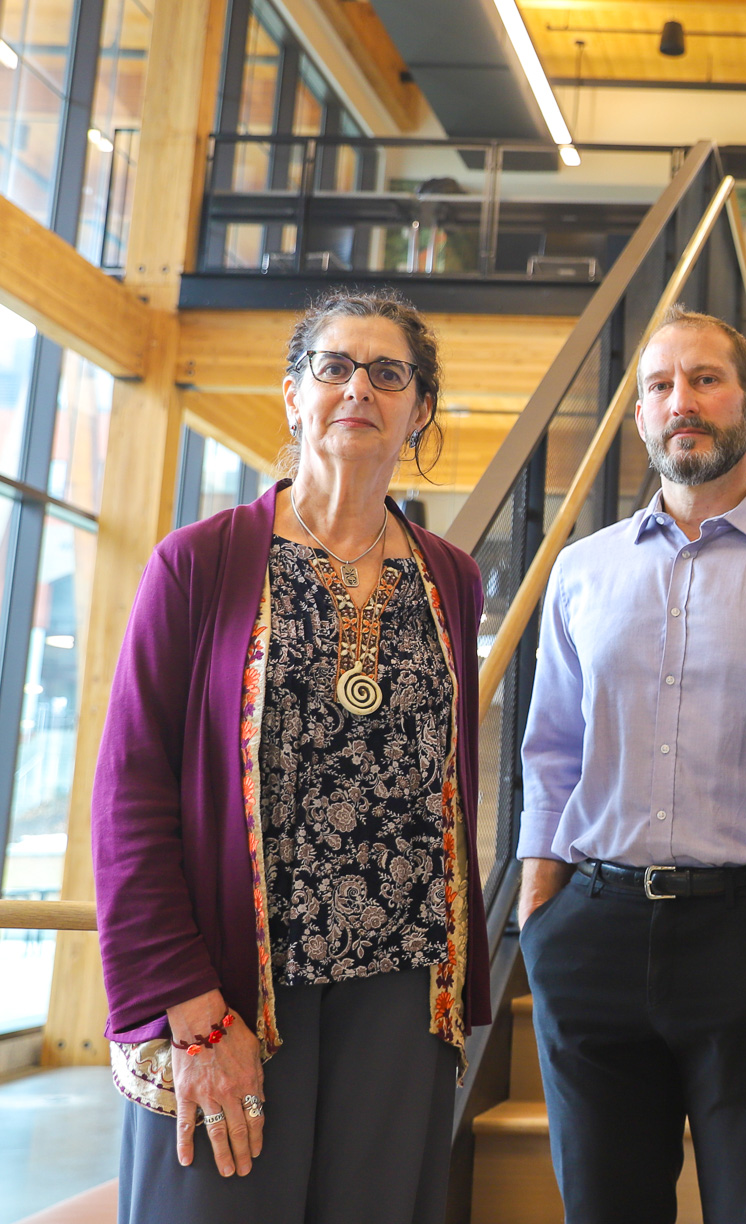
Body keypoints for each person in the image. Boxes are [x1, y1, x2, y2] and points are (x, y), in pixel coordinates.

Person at [93, 288, 489, 1223]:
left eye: (388, 373)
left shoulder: (450, 578)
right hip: (232, 991)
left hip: (403, 992)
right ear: (292, 396)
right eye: (335, 367)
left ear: (419, 410)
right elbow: (130, 797)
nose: (359, 387)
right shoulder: (198, 564)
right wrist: (188, 1009)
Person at [516, 308, 746, 1224]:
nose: (682, 402)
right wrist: (538, 905)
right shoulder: (582, 572)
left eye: (705, 379)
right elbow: (550, 745)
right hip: (591, 929)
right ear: (639, 418)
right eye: (660, 386)